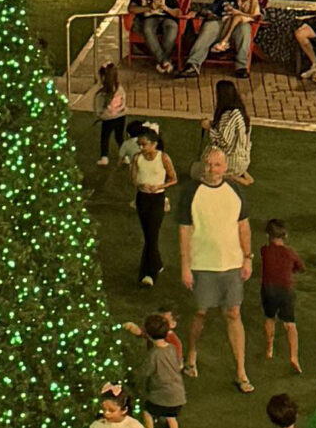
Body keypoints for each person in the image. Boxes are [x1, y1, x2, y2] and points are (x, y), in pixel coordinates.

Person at [178, 146, 254, 394]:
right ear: (202, 164)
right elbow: (184, 231)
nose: (212, 169)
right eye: (208, 164)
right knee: (200, 313)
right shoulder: (191, 191)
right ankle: (191, 356)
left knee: (233, 313)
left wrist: (247, 257)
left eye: (217, 165)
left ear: (225, 166)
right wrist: (185, 266)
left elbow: (243, 226)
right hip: (202, 265)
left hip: (231, 264)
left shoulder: (234, 189)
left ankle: (241, 371)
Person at [123, 121, 177, 286]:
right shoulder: (137, 158)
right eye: (139, 145)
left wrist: (160, 186)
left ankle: (148, 273)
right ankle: (157, 263)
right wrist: (140, 185)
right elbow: (133, 178)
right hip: (142, 198)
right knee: (148, 235)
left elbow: (173, 178)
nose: (141, 148)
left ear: (154, 144)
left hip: (157, 199)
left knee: (152, 236)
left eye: (144, 145)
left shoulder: (163, 158)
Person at [185, 0, 264, 79]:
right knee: (209, 26)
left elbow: (258, 15)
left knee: (245, 28)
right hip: (219, 24)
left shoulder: (248, 0)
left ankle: (241, 67)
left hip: (237, 28)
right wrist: (208, 14)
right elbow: (208, 10)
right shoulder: (221, 1)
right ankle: (193, 65)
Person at [123, 314, 186, 428]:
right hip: (178, 395)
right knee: (171, 416)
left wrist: (136, 381)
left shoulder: (153, 354)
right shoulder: (171, 348)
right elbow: (178, 364)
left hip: (161, 396)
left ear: (148, 333)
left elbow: (145, 372)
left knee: (147, 412)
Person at [258, 218, 304, 371]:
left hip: (268, 289)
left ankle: (269, 348)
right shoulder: (290, 253)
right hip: (285, 290)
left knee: (270, 318)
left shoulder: (264, 251)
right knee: (290, 324)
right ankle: (293, 357)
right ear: (285, 235)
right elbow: (300, 267)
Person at [129, 0, 183, 72]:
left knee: (172, 27)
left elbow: (178, 13)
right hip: (149, 19)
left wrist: (165, 8)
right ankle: (165, 61)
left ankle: (162, 61)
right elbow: (131, 9)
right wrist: (149, 7)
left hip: (167, 18)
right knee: (147, 28)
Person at [207, 78, 255, 185]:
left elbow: (224, 141)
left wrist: (208, 128)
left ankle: (230, 176)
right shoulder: (241, 113)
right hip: (243, 160)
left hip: (232, 161)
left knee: (199, 171)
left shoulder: (228, 115)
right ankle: (240, 173)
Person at [92, 62, 129, 166]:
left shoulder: (102, 93)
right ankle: (125, 156)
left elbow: (99, 108)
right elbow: (123, 101)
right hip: (120, 116)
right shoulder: (119, 88)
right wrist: (120, 110)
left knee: (105, 137)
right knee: (119, 136)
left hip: (108, 118)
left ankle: (104, 157)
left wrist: (102, 114)